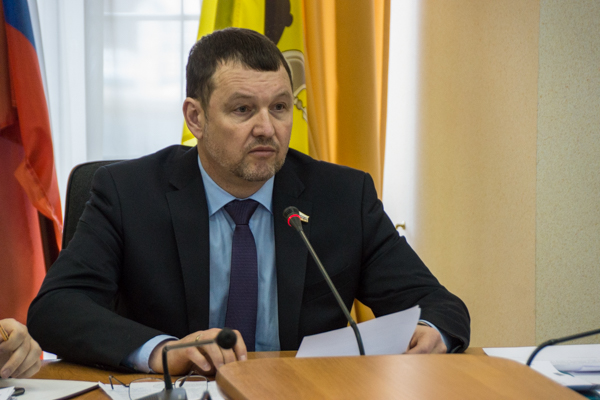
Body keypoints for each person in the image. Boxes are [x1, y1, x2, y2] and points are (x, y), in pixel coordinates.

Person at [28, 28, 469, 375]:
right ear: (196, 117)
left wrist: (431, 331)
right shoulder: (128, 193)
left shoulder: (342, 197)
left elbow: (440, 305)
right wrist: (164, 351)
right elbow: (56, 309)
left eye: (280, 108)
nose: (267, 128)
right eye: (242, 110)